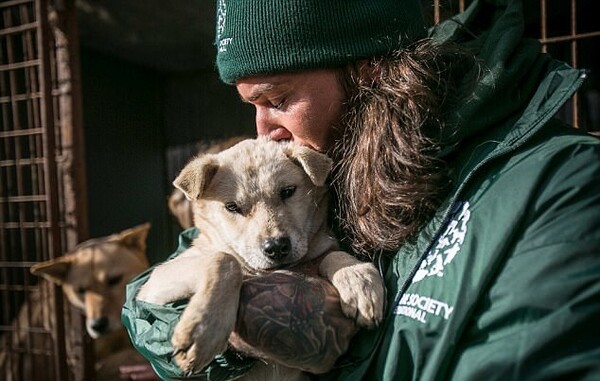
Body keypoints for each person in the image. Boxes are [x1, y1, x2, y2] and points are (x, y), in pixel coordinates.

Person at [122, 0, 600, 380]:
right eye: (254, 105)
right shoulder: (332, 171)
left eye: (278, 99)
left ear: (368, 70)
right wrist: (221, 323)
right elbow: (145, 298)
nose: (263, 131)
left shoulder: (558, 187)